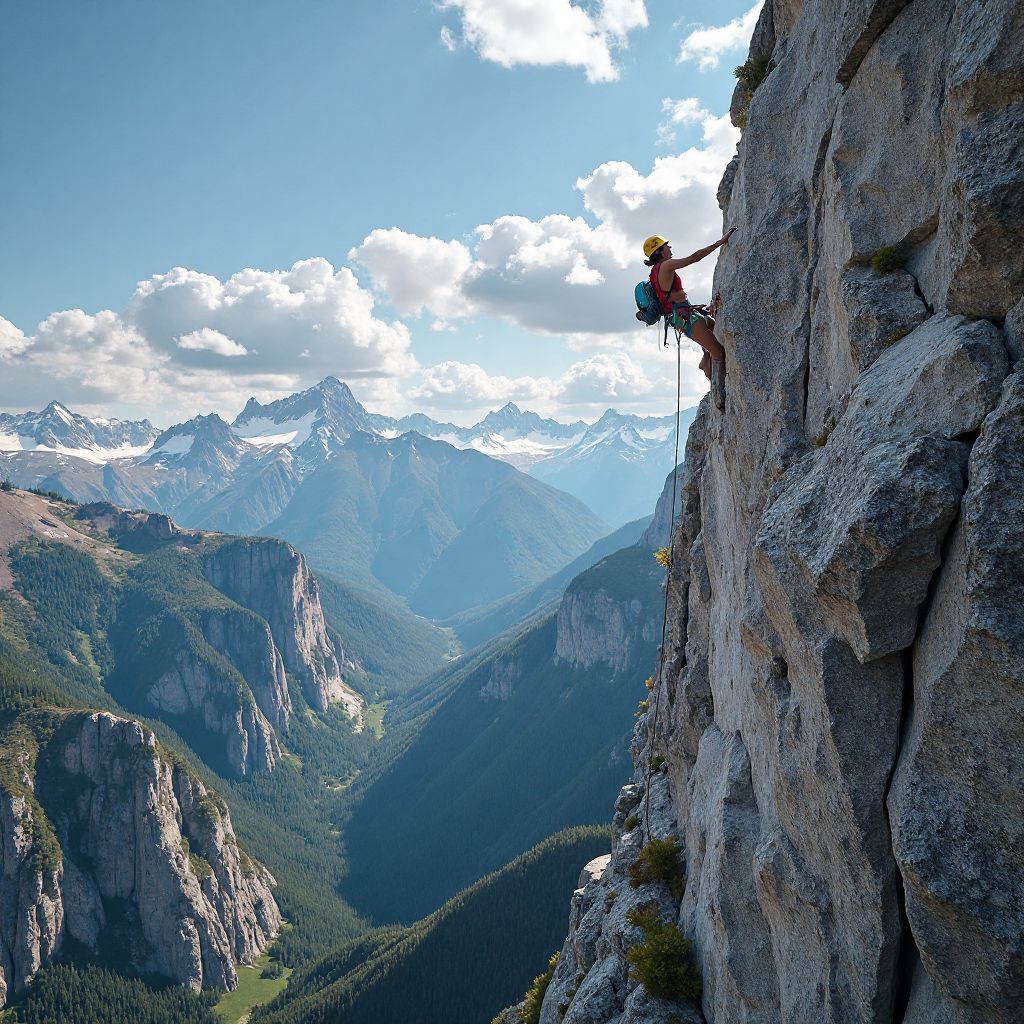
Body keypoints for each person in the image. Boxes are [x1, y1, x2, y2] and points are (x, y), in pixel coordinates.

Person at [643, 230, 735, 380]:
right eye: (667, 246)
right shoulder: (666, 265)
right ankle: (719, 394)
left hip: (685, 313)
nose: (670, 249)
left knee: (712, 327)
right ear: (660, 251)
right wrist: (719, 243)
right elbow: (694, 258)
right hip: (685, 317)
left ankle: (705, 361)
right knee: (718, 352)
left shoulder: (655, 272)